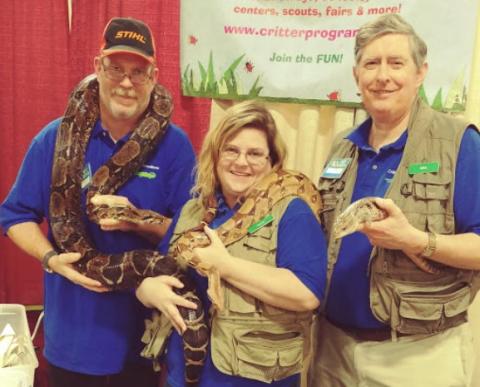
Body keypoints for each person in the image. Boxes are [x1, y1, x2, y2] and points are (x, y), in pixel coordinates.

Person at [0, 17, 196, 387]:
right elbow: (14, 216)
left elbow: (191, 236)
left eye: (138, 72)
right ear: (97, 68)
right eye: (116, 69)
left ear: (153, 76)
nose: (126, 82)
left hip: (142, 337)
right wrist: (50, 259)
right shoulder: (53, 139)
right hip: (73, 339)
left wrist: (135, 221)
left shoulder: (176, 146)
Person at [310, 14, 480, 387]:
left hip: (418, 356)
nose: (382, 75)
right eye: (371, 63)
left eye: (396, 63)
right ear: (357, 76)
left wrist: (415, 240)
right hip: (332, 348)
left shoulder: (459, 142)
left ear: (420, 73)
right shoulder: (343, 147)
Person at [136, 100, 328, 387]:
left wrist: (225, 266)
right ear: (215, 156)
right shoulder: (192, 210)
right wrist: (146, 290)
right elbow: (160, 268)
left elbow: (306, 294)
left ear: (272, 162)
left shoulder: (292, 212)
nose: (241, 162)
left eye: (255, 153)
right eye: (231, 150)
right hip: (183, 375)